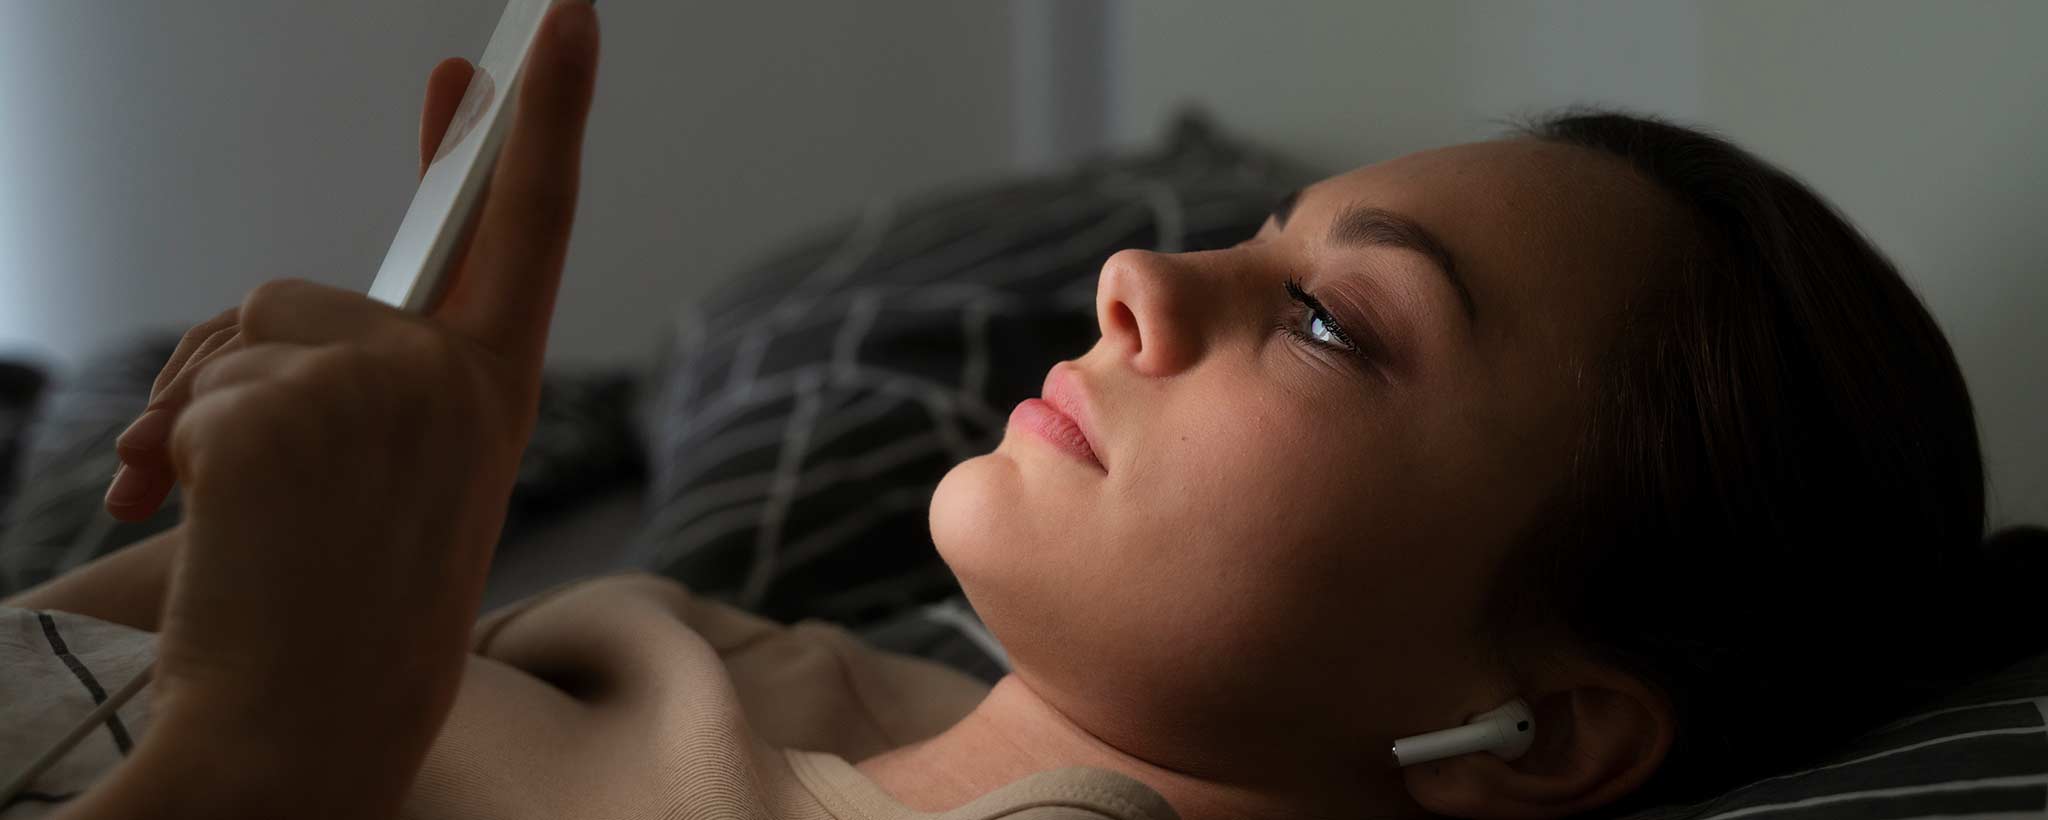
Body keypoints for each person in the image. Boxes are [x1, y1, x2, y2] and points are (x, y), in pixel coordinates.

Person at [4, 3, 2036, 818]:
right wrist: (338, 506)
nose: (1142, 276)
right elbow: (58, 683)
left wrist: (284, 723)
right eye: (1256, 234)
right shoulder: (755, 659)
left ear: (1543, 725)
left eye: (1333, 324)